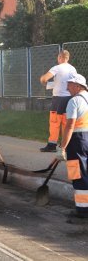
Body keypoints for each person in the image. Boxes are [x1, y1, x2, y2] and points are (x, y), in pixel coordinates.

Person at [56, 73, 88, 219]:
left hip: (77, 141)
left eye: (69, 84)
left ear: (77, 86)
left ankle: (82, 209)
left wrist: (62, 147)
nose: (67, 87)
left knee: (78, 174)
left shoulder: (74, 101)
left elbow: (69, 126)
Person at [40, 50, 77, 152]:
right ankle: (66, 145)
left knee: (54, 122)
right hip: (70, 98)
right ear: (68, 58)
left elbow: (45, 79)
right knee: (66, 122)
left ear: (60, 57)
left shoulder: (57, 68)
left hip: (58, 99)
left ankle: (52, 145)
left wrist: (43, 79)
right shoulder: (73, 69)